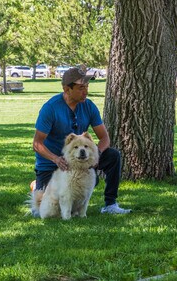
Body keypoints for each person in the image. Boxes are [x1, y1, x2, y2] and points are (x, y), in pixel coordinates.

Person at [31, 66, 131, 215]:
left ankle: (110, 204)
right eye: (81, 88)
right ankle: (36, 185)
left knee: (113, 155)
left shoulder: (89, 106)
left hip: (81, 160)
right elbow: (37, 144)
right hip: (53, 166)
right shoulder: (50, 108)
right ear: (67, 89)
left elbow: (104, 138)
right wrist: (56, 159)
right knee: (42, 209)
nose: (85, 91)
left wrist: (97, 153)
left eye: (87, 87)